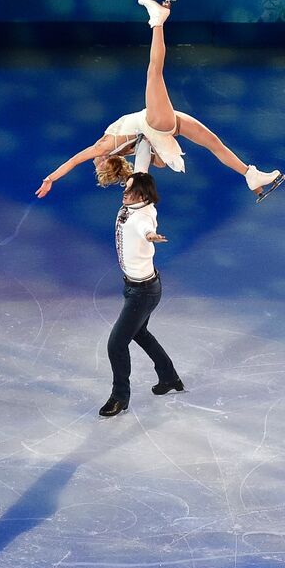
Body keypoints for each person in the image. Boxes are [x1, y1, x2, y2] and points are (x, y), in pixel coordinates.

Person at [36, 0, 284, 202]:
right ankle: (158, 18)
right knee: (154, 72)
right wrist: (50, 178)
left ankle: (250, 175)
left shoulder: (124, 150)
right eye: (97, 164)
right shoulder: (105, 147)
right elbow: (74, 161)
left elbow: (160, 163)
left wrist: (148, 159)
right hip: (156, 121)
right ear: (103, 161)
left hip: (166, 124)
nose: (94, 162)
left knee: (214, 143)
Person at [99, 171, 183, 418]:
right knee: (140, 334)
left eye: (130, 189)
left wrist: (151, 237)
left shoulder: (143, 217)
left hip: (142, 292)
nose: (124, 192)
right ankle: (169, 377)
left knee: (116, 344)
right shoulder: (137, 203)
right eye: (125, 188)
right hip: (136, 286)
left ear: (143, 194)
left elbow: (146, 228)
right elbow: (141, 168)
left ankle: (119, 397)